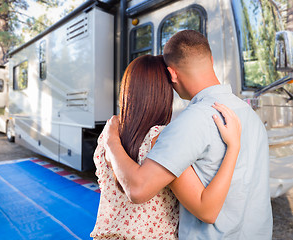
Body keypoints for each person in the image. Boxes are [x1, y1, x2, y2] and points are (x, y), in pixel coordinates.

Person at [103, 30, 273, 239]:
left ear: (172, 74)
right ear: (210, 59)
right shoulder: (248, 114)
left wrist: (111, 141)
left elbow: (138, 190)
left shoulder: (191, 122)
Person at [91, 54, 241, 239]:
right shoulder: (160, 139)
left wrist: (111, 141)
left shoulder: (108, 136)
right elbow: (207, 210)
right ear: (164, 93)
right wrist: (233, 146)